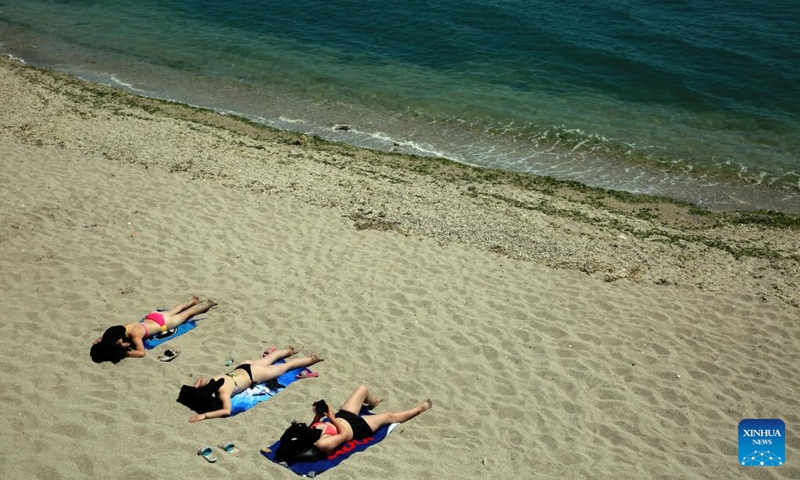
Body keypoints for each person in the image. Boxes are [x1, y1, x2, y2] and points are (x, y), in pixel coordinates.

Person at [180, 347, 324, 423]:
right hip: (243, 367)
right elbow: (199, 380)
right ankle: (289, 350)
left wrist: (204, 415)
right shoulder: (212, 380)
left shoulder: (223, 393)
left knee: (285, 368)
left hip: (254, 375)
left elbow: (226, 411)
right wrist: (195, 390)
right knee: (271, 357)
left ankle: (312, 359)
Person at [310, 385, 432, 455]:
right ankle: (418, 410)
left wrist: (317, 416)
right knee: (388, 416)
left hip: (343, 416)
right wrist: (332, 418)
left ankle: (373, 402)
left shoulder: (308, 433)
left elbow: (313, 427)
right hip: (357, 428)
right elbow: (344, 434)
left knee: (362, 389)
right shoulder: (323, 444)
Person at [90, 296, 217, 363]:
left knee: (187, 314)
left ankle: (209, 304)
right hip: (153, 316)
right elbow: (104, 339)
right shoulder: (120, 328)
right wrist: (102, 344)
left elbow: (141, 353)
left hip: (163, 324)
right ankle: (193, 300)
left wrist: (125, 353)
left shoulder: (135, 335)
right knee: (176, 309)